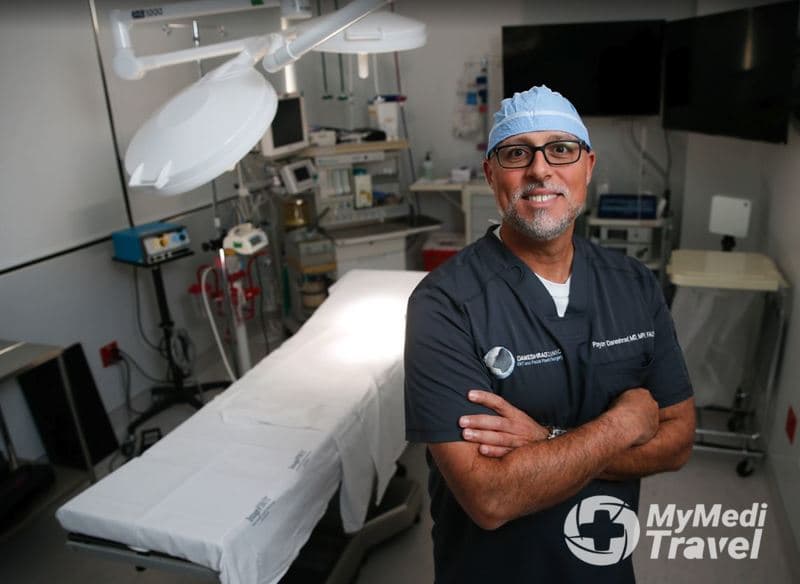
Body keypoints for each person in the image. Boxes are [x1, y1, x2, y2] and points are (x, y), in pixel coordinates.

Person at [404, 85, 695, 583]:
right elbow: (490, 498)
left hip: (604, 564)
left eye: (561, 149)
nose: (540, 170)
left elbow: (677, 441)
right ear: (491, 174)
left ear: (588, 166)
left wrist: (545, 441)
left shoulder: (633, 286)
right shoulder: (444, 304)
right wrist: (621, 425)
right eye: (517, 153)